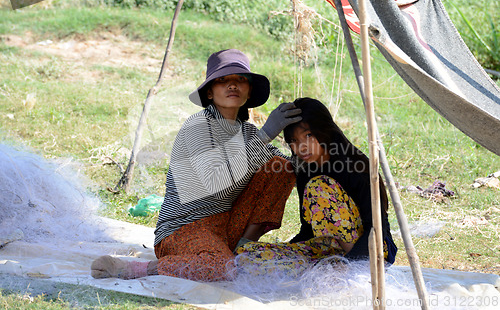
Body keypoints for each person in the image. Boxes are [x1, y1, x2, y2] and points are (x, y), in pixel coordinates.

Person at [90, 49, 302, 281]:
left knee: (280, 168)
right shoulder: (198, 126)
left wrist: (310, 147)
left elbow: (287, 169)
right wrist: (267, 133)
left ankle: (244, 249)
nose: (233, 86)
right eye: (223, 81)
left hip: (228, 226)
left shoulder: (248, 132)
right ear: (209, 92)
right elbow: (215, 182)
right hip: (185, 227)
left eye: (241, 80)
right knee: (221, 268)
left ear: (249, 91)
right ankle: (137, 269)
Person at [236, 97, 397, 274]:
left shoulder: (355, 167)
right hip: (326, 252)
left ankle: (343, 269)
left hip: (370, 250)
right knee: (246, 254)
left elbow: (376, 229)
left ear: (324, 130)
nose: (302, 147)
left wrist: (348, 263)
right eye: (294, 141)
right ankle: (327, 267)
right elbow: (308, 230)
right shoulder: (305, 171)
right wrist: (289, 252)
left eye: (308, 136)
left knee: (319, 186)